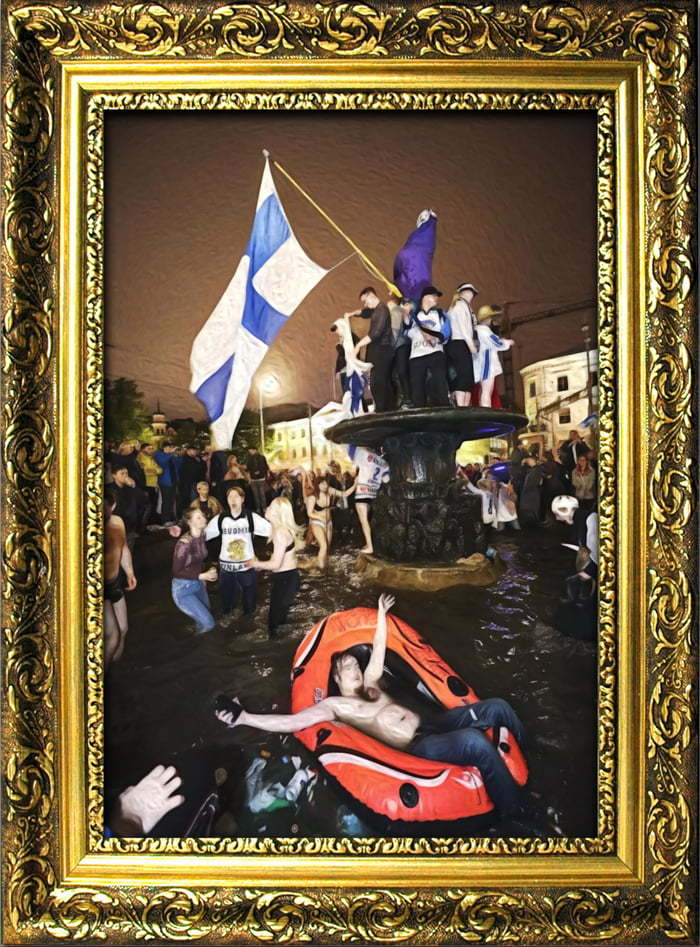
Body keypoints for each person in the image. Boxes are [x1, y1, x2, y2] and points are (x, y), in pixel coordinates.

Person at [216, 594, 526, 818]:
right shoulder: (335, 706)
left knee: (497, 707)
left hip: (434, 724)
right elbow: (292, 722)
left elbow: (378, 647)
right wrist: (245, 718)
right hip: (418, 746)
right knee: (473, 742)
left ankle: (527, 751)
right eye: (349, 666)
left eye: (355, 664)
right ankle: (515, 814)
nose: (356, 668)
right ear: (337, 676)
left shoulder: (371, 683)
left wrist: (380, 614)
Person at [249, 497, 301, 639]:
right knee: (280, 619)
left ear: (278, 513)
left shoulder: (279, 533)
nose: (267, 508)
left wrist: (255, 563)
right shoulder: (280, 530)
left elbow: (276, 564)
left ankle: (275, 646)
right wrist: (263, 566)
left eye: (271, 507)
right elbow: (278, 560)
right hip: (288, 578)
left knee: (273, 624)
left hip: (285, 580)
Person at [104, 486, 137, 666]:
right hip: (99, 588)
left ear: (113, 506)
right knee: (112, 635)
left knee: (123, 629)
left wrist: (130, 572)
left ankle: (113, 669)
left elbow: (123, 548)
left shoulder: (117, 522)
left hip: (115, 583)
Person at [171, 507, 218, 634]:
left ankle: (198, 637)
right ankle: (194, 641)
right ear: (189, 522)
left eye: (202, 516)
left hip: (198, 584)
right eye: (198, 517)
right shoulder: (184, 544)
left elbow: (199, 560)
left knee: (204, 619)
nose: (204, 519)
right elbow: (176, 571)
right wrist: (201, 576)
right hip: (183, 589)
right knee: (209, 624)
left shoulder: (202, 535)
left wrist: (206, 573)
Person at [348, 287, 395, 412]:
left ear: (371, 295)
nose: (365, 304)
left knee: (378, 382)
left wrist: (358, 346)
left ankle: (383, 410)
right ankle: (387, 409)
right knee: (379, 382)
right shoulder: (374, 310)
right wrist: (351, 314)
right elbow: (364, 312)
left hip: (383, 350)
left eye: (365, 300)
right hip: (377, 350)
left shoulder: (382, 310)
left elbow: (375, 333)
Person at [407, 285, 451, 407]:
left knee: (439, 383)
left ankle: (444, 411)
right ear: (425, 297)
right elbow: (406, 332)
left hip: (435, 353)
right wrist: (405, 315)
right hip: (416, 355)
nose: (437, 298)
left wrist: (435, 336)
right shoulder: (414, 315)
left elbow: (446, 332)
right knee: (417, 388)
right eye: (434, 295)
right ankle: (419, 413)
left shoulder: (441, 313)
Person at [304, 473, 356, 570]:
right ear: (317, 485)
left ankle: (322, 564)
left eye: (326, 483)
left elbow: (344, 494)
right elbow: (309, 513)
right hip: (317, 523)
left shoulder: (330, 490)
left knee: (327, 547)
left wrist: (355, 485)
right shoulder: (313, 497)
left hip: (328, 523)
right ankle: (320, 569)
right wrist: (320, 517)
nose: (325, 486)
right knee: (323, 545)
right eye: (322, 484)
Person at [349, 446, 389, 554]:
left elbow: (350, 449)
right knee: (367, 521)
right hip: (371, 496)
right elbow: (386, 480)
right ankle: (370, 544)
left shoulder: (365, 458)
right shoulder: (381, 463)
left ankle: (370, 546)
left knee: (364, 522)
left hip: (361, 495)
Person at [472, 305, 515, 407]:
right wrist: (508, 342)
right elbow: (497, 343)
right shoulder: (484, 331)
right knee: (487, 390)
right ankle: (486, 409)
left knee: (484, 390)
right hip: (487, 364)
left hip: (481, 363)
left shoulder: (476, 330)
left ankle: (484, 408)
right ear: (488, 319)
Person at [446, 282, 478, 406]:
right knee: (462, 375)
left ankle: (464, 405)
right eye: (470, 292)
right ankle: (460, 405)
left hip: (462, 344)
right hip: (459, 343)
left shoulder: (464, 306)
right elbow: (464, 328)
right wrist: (471, 345)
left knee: (467, 377)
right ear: (463, 292)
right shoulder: (459, 306)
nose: (471, 295)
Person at [154, 442, 180, 525]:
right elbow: (162, 462)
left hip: (173, 481)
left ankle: (170, 518)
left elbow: (178, 465)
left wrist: (178, 456)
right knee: (166, 501)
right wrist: (171, 453)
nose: (169, 449)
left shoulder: (171, 456)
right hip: (165, 482)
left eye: (170, 447)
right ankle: (165, 520)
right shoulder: (159, 454)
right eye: (168, 447)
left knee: (171, 501)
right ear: (163, 448)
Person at [178, 445, 206, 513]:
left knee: (194, 499)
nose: (195, 452)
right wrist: (199, 463)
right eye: (194, 451)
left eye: (196, 451)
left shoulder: (196, 459)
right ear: (188, 451)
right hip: (187, 483)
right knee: (189, 500)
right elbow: (193, 469)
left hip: (195, 482)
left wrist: (201, 462)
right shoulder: (184, 459)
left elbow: (203, 469)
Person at [246, 446, 270, 515]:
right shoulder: (250, 458)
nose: (250, 452)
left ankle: (263, 508)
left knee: (261, 494)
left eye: (251, 450)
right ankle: (259, 508)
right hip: (254, 479)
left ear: (255, 450)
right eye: (249, 451)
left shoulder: (261, 457)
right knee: (256, 495)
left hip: (260, 478)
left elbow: (265, 467)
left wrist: (260, 472)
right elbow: (248, 468)